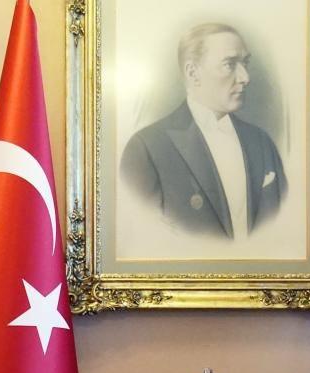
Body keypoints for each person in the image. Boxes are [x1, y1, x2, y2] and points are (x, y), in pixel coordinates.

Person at [120, 22, 286, 240]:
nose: (245, 77)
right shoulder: (146, 149)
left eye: (245, 63)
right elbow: (144, 241)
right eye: (229, 64)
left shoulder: (262, 142)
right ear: (193, 73)